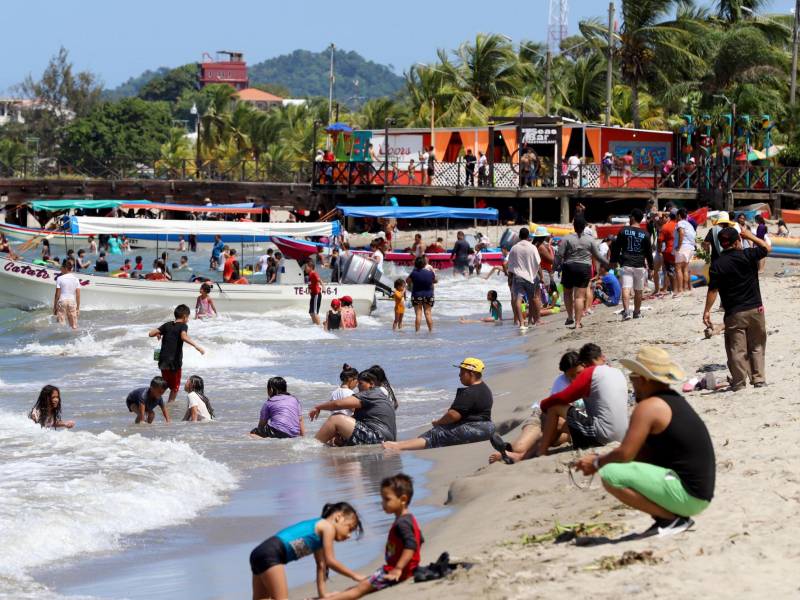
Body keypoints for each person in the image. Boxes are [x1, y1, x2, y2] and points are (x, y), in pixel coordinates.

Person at [573, 346, 716, 536]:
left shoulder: (649, 407)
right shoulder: (672, 401)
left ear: (644, 380)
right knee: (627, 464)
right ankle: (670, 517)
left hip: (689, 496)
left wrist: (597, 462)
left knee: (610, 474)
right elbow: (641, 454)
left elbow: (625, 454)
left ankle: (671, 520)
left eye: (633, 378)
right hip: (699, 493)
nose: (632, 384)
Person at [326, 474, 423, 599]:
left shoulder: (402, 523)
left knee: (359, 590)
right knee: (363, 585)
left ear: (403, 499)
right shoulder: (408, 519)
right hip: (404, 569)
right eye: (382, 499)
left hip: (395, 572)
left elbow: (411, 545)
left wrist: (398, 568)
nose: (382, 503)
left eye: (387, 499)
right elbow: (420, 539)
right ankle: (329, 596)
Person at [249, 502, 365, 600]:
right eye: (349, 528)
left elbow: (321, 565)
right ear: (338, 517)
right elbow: (331, 561)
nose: (349, 535)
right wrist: (355, 576)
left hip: (260, 552)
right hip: (272, 553)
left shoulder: (319, 534)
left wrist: (322, 595)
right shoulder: (327, 527)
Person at [703, 227, 770, 391]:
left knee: (736, 349)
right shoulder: (748, 255)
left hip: (734, 312)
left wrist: (707, 311)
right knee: (757, 345)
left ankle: (740, 382)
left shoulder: (717, 264)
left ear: (722, 245)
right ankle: (758, 379)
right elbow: (766, 248)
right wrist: (750, 236)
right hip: (756, 309)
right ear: (737, 241)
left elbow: (713, 290)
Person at [488, 351, 582, 464]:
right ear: (564, 374)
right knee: (519, 447)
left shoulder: (591, 381)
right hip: (544, 416)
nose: (574, 379)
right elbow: (551, 409)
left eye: (577, 374)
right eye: (570, 376)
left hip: (563, 425)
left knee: (563, 433)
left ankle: (518, 454)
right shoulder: (561, 382)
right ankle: (511, 451)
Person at [536, 343, 628, 456]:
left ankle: (541, 452)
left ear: (584, 363)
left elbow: (562, 397)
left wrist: (543, 405)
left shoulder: (590, 373)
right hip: (623, 434)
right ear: (602, 357)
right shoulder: (616, 372)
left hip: (604, 435)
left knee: (554, 407)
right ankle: (537, 449)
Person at [384, 358, 494, 451]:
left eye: (462, 372)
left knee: (436, 433)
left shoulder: (469, 392)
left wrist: (438, 422)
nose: (459, 375)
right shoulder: (485, 388)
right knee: (440, 430)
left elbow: (453, 415)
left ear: (471, 373)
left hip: (476, 429)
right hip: (487, 427)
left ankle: (399, 446)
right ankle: (403, 444)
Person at [310, 369, 397, 446]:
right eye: (357, 383)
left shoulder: (371, 393)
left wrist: (318, 407)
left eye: (361, 383)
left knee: (335, 419)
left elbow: (338, 404)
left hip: (379, 437)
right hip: (384, 437)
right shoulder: (380, 394)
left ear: (371, 384)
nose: (358, 386)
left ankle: (312, 447)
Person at [557, 214, 610, 329]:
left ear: (574, 226)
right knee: (579, 297)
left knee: (567, 293)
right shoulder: (590, 240)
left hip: (569, 267)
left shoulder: (566, 238)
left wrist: (555, 267)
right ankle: (577, 323)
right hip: (584, 268)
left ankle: (570, 317)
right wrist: (607, 263)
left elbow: (559, 255)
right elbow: (598, 256)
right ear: (584, 226)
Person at [148, 304, 206, 403]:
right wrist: (196, 346)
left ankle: (152, 401)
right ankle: (169, 407)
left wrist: (158, 333)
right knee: (174, 388)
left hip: (163, 361)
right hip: (174, 363)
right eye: (188, 317)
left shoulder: (167, 325)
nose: (188, 320)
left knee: (164, 384)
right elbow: (183, 336)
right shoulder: (183, 325)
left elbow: (150, 333)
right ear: (184, 317)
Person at [611, 208, 653, 320]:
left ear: (633, 218)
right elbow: (649, 252)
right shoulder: (646, 234)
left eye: (630, 217)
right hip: (639, 264)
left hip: (627, 263)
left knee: (626, 288)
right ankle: (637, 313)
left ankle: (626, 312)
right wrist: (651, 268)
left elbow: (616, 247)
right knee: (638, 290)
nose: (629, 218)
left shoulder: (623, 230)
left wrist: (613, 261)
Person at [507, 227, 542, 331]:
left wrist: (510, 278)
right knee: (531, 299)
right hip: (530, 277)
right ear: (528, 236)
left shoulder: (514, 248)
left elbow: (510, 265)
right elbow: (538, 263)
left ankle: (521, 323)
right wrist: (541, 276)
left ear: (519, 236)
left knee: (518, 299)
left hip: (518, 277)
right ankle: (530, 320)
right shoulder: (532, 247)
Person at [406, 256, 436, 332]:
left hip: (417, 295)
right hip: (428, 295)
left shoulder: (414, 273)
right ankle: (431, 331)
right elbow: (435, 281)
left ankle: (417, 332)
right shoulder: (430, 273)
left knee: (418, 314)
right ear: (424, 264)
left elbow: (407, 281)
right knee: (428, 313)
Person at [52, 258, 80, 330]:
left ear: (65, 268)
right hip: (72, 301)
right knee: (74, 326)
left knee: (61, 325)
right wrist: (78, 308)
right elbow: (78, 295)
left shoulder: (60, 278)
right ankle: (75, 339)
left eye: (61, 268)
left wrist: (54, 307)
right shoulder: (76, 279)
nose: (61, 269)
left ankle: (62, 339)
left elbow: (57, 294)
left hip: (62, 301)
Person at [673, 208, 696, 296]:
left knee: (678, 268)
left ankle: (680, 290)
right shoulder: (689, 224)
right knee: (685, 268)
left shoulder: (680, 223)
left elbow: (681, 233)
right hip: (690, 247)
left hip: (683, 247)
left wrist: (678, 246)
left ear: (679, 215)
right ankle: (685, 289)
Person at [658, 209, 678, 293]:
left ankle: (674, 289)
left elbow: (659, 240)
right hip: (680, 250)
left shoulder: (665, 226)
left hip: (669, 252)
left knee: (670, 271)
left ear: (669, 217)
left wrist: (659, 250)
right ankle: (683, 288)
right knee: (681, 270)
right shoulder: (680, 225)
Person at [306, 258, 323, 325]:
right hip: (313, 295)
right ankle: (314, 326)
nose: (305, 269)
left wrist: (323, 287)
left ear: (311, 267)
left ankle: (319, 327)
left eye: (306, 267)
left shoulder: (313, 273)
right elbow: (310, 284)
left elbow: (319, 280)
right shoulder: (310, 275)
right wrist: (309, 289)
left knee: (315, 312)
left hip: (316, 294)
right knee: (311, 312)